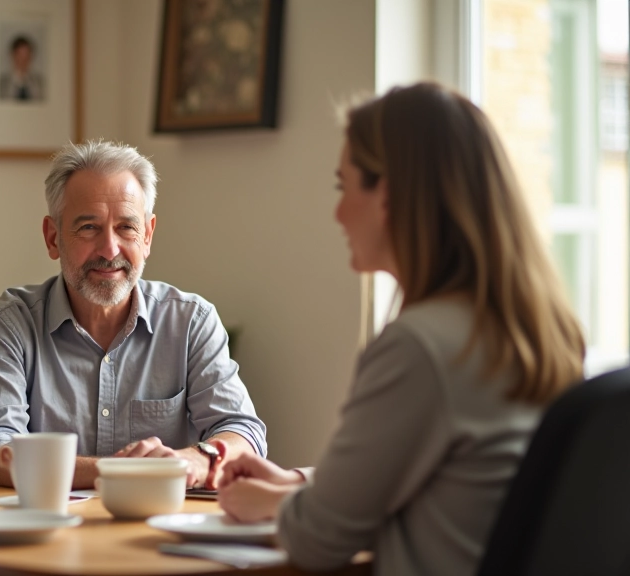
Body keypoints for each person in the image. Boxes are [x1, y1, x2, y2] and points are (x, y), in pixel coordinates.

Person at [216, 82, 585, 576]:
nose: (338, 213)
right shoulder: (539, 332)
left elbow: (319, 539)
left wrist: (261, 502)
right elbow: (438, 486)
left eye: (343, 187)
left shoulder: (421, 348)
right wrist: (295, 485)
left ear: (387, 194)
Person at [0, 140, 267, 489]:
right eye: (89, 228)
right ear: (53, 238)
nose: (110, 250)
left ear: (148, 236)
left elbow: (243, 432)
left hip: (161, 532)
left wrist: (196, 459)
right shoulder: (7, 325)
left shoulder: (191, 322)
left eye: (126, 227)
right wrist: (120, 472)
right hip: (51, 533)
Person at [0, 35, 44, 102]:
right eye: (20, 55)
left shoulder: (39, 84)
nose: (24, 60)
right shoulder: (2, 84)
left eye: (27, 56)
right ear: (12, 55)